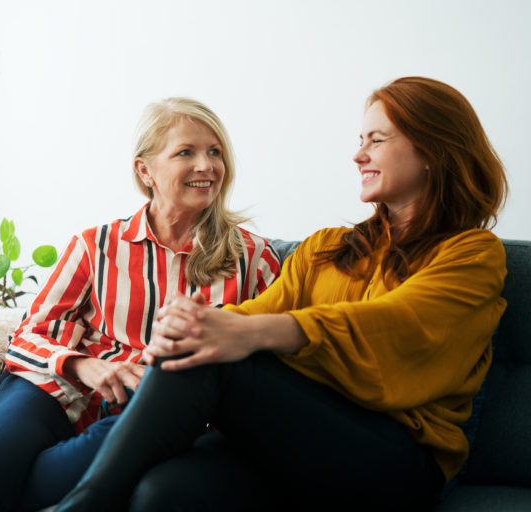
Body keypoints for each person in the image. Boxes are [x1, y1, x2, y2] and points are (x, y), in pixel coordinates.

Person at [56, 77, 509, 511]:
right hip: (297, 438)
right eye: (360, 139)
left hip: (398, 460)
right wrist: (202, 323)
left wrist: (251, 334)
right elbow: (255, 313)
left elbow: (398, 327)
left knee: (217, 354)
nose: (357, 155)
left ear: (430, 150)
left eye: (376, 140)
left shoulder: (472, 255)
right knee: (160, 493)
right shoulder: (327, 248)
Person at [0, 98, 281, 511]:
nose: (207, 165)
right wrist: (84, 366)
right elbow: (29, 334)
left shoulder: (253, 258)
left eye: (215, 152)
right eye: (187, 152)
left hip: (153, 413)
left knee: (38, 486)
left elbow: (264, 366)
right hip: (57, 387)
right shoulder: (97, 246)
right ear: (144, 170)